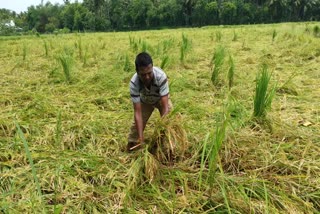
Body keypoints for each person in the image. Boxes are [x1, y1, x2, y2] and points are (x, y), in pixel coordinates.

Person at [127, 52, 172, 151]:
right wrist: (141, 138)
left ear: (152, 68)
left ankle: (168, 148)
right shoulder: (134, 83)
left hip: (160, 99)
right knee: (135, 132)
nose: (147, 77)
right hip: (145, 101)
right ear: (137, 72)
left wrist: (162, 129)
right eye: (143, 75)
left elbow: (165, 107)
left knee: (170, 123)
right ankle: (132, 148)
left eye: (149, 73)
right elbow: (137, 112)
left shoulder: (161, 77)